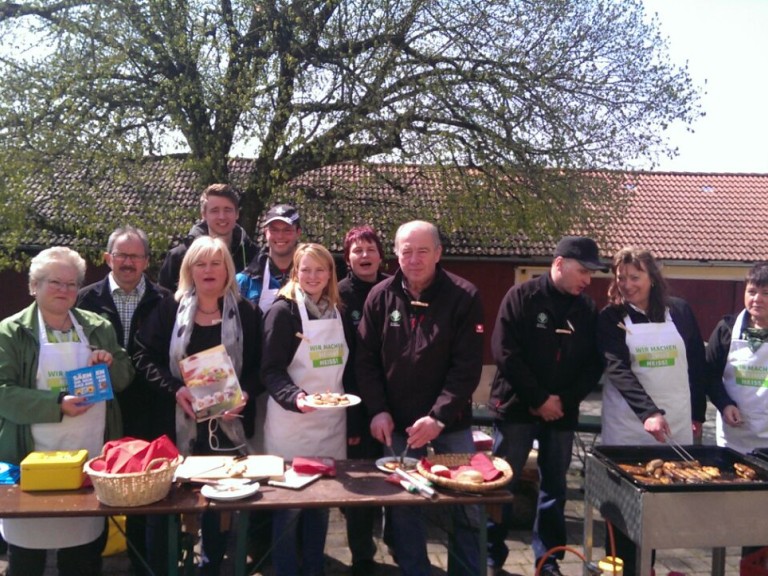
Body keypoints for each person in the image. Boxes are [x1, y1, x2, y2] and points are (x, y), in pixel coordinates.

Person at [356, 220, 484, 576]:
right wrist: (378, 411)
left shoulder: (464, 296)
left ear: (439, 253)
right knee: (404, 504)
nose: (413, 259)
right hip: (396, 424)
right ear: (395, 253)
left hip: (451, 421)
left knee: (466, 502)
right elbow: (365, 361)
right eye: (406, 251)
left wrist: (439, 417)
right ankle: (415, 570)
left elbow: (467, 368)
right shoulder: (379, 296)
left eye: (422, 251)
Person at [0, 247, 134, 576]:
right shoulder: (11, 331)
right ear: (34, 286)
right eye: (54, 282)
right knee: (27, 557)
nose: (65, 290)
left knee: (84, 553)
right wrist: (56, 404)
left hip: (89, 454)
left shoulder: (97, 326)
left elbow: (125, 378)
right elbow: (2, 392)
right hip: (30, 461)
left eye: (72, 284)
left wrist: (109, 362)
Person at [134, 236, 262, 575]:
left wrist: (245, 394)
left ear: (227, 269)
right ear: (189, 269)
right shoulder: (168, 309)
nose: (208, 270)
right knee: (172, 502)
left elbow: (260, 368)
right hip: (177, 424)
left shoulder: (247, 312)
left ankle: (211, 564)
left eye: (215, 263)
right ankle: (169, 565)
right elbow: (143, 356)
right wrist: (176, 389)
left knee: (219, 506)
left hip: (227, 429)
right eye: (200, 263)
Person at [487, 236, 605, 576]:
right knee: (502, 483)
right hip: (517, 407)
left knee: (555, 487)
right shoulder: (522, 297)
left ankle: (548, 558)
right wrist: (539, 399)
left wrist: (562, 402)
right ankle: (492, 554)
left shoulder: (587, 310)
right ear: (558, 264)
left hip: (562, 412)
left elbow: (594, 365)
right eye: (582, 271)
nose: (587, 280)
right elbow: (505, 351)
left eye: (591, 274)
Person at [597, 247, 707, 574]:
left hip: (672, 424)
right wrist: (647, 412)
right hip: (627, 426)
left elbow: (696, 367)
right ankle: (617, 569)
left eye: (635, 277)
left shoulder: (681, 312)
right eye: (622, 279)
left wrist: (697, 414)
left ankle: (647, 568)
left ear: (653, 278)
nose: (628, 285)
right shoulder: (611, 318)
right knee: (621, 507)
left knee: (659, 508)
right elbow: (617, 369)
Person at [77, 225, 169, 576]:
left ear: (147, 261)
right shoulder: (85, 299)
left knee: (150, 498)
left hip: (152, 412)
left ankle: (148, 567)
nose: (128, 262)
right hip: (101, 410)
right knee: (96, 492)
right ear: (107, 258)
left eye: (135, 256)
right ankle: (89, 564)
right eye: (121, 255)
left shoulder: (166, 300)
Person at [261, 242, 353, 576]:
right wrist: (296, 398)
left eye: (320, 269)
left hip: (330, 422)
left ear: (330, 273)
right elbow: (269, 369)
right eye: (306, 269)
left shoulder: (337, 311)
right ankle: (286, 569)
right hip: (292, 424)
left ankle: (314, 567)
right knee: (289, 507)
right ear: (295, 272)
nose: (313, 276)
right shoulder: (282, 312)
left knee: (321, 504)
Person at [706, 262, 768, 559]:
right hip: (732, 440)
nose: (757, 299)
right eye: (752, 291)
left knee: (761, 521)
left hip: (767, 443)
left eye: (765, 293)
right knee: (726, 515)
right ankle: (719, 563)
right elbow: (708, 375)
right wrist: (725, 403)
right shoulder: (727, 327)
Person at [338, 225, 389, 576]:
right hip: (356, 406)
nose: (365, 256)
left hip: (396, 404)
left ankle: (400, 543)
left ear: (381, 255)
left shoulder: (395, 290)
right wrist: (354, 418)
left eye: (370, 249)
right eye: (357, 250)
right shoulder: (339, 296)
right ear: (348, 258)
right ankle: (362, 555)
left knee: (396, 480)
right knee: (360, 486)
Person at [158, 183, 258, 291]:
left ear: (237, 214)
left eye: (227, 210)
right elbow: (164, 303)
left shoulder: (254, 256)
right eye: (215, 210)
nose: (222, 216)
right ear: (204, 215)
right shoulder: (179, 257)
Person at [237, 203, 302, 313]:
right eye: (274, 230)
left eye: (287, 230)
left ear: (298, 232)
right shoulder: (244, 281)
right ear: (265, 232)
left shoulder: (312, 278)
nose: (280, 236)